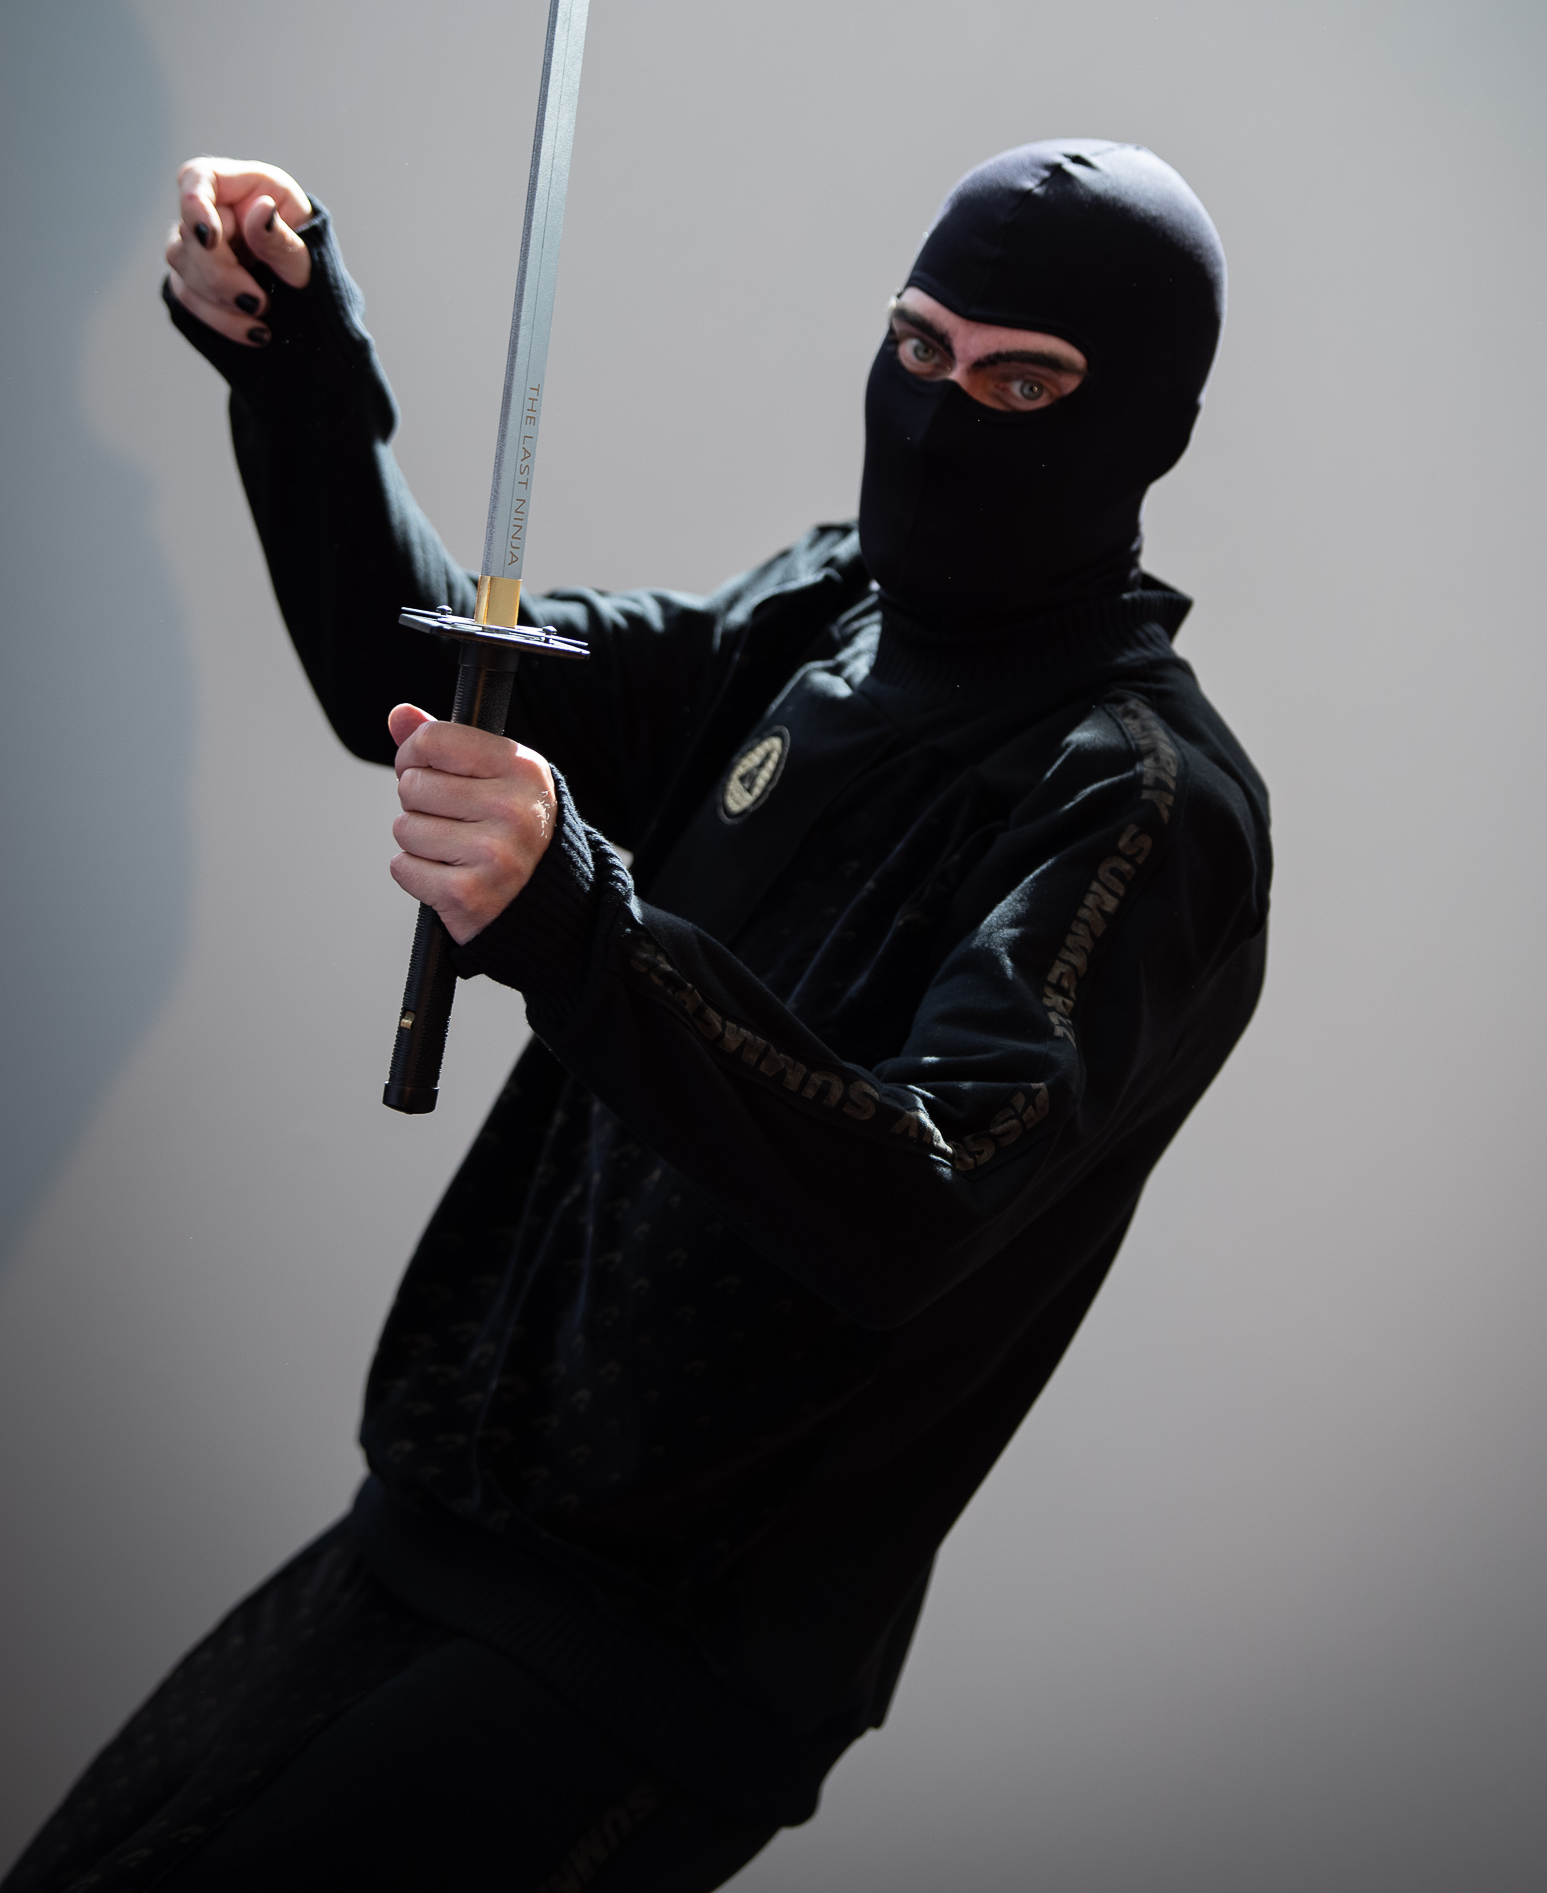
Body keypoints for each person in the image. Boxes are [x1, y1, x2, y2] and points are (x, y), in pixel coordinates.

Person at [6, 140, 1270, 1893]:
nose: (940, 415)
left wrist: (572, 922)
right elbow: (423, 683)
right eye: (918, 347)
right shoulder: (818, 615)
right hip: (419, 1530)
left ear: (1146, 426)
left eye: (1021, 382)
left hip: (640, 1672)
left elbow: (915, 1204)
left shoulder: (1135, 803)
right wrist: (295, 368)